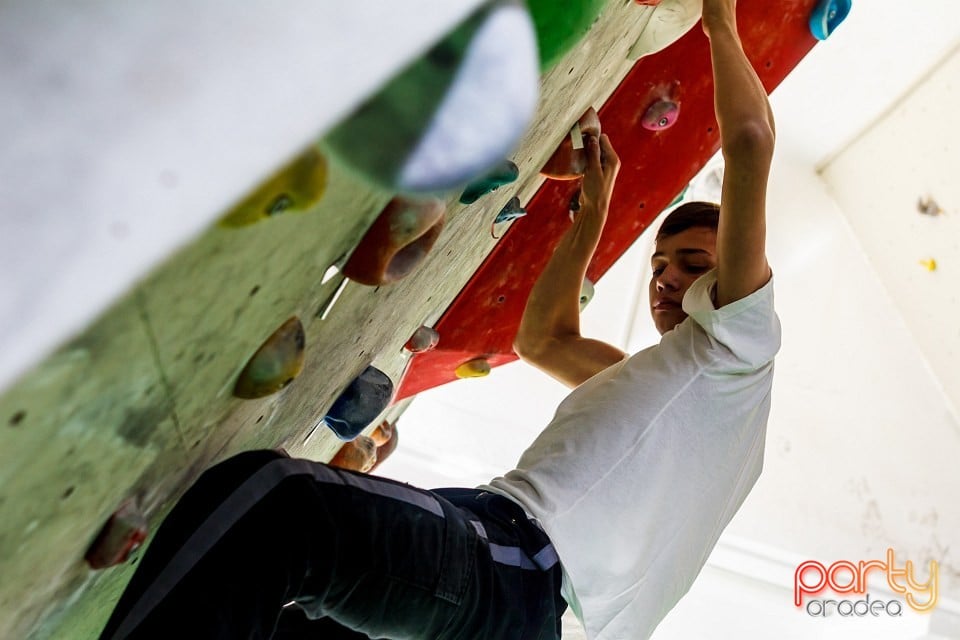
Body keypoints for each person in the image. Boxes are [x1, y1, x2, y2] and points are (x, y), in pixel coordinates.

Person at [98, 0, 778, 638]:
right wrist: (590, 222)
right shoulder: (677, 385)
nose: (666, 279)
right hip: (509, 591)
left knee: (274, 502)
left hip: (511, 568)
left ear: (733, 272)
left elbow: (749, 139)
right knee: (278, 596)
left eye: (691, 263)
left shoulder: (742, 347)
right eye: (659, 265)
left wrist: (718, 16)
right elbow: (542, 340)